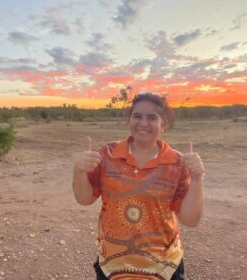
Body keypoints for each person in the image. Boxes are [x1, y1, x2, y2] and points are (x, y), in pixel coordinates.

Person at [73, 93, 204, 280]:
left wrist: (198, 178)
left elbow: (191, 220)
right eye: (137, 116)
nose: (143, 123)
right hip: (113, 263)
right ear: (129, 119)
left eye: (152, 117)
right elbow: (84, 199)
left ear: (163, 124)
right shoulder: (107, 154)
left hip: (163, 265)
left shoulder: (176, 162)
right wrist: (78, 171)